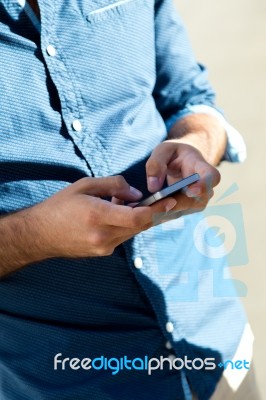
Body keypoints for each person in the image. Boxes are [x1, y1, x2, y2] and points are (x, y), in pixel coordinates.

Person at [0, 0, 261, 399]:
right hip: (65, 382)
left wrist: (197, 143)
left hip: (219, 345)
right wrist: (34, 235)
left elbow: (191, 98)